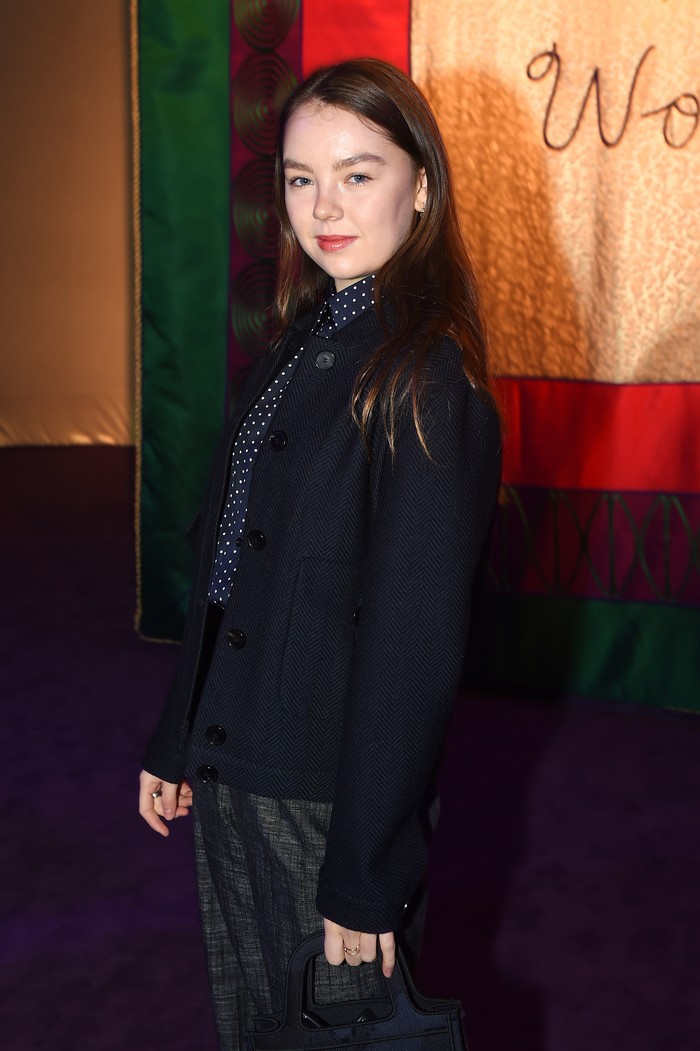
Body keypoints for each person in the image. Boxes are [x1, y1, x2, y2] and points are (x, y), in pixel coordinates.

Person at [138, 58, 502, 1051]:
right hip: (238, 760)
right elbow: (229, 558)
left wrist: (366, 875)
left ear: (419, 185)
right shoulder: (308, 338)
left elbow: (412, 650)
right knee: (256, 1026)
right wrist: (184, 733)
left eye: (357, 172)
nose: (323, 205)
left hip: (321, 791)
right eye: (301, 177)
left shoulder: (425, 375)